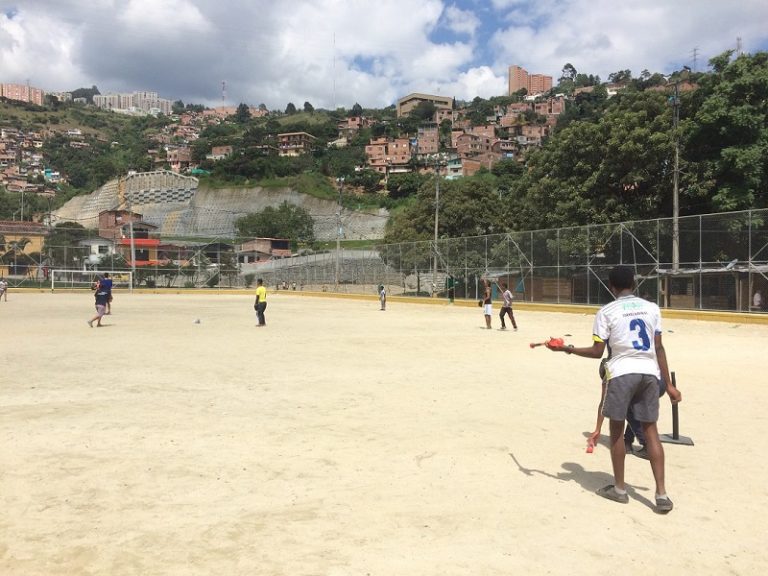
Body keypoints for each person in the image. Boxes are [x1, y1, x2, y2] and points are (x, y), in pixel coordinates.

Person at [546, 265, 682, 513]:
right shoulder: (651, 308)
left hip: (621, 373)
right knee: (651, 432)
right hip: (650, 373)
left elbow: (598, 351)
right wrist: (669, 385)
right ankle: (661, 495)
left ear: (611, 286)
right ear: (633, 283)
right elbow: (659, 347)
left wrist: (567, 349)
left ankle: (619, 490)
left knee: (617, 431)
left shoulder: (606, 311)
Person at [588, 359, 666, 459]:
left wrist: (597, 429)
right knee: (632, 406)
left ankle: (647, 446)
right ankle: (627, 442)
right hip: (659, 381)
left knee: (628, 410)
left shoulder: (610, 372)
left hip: (651, 383)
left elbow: (603, 402)